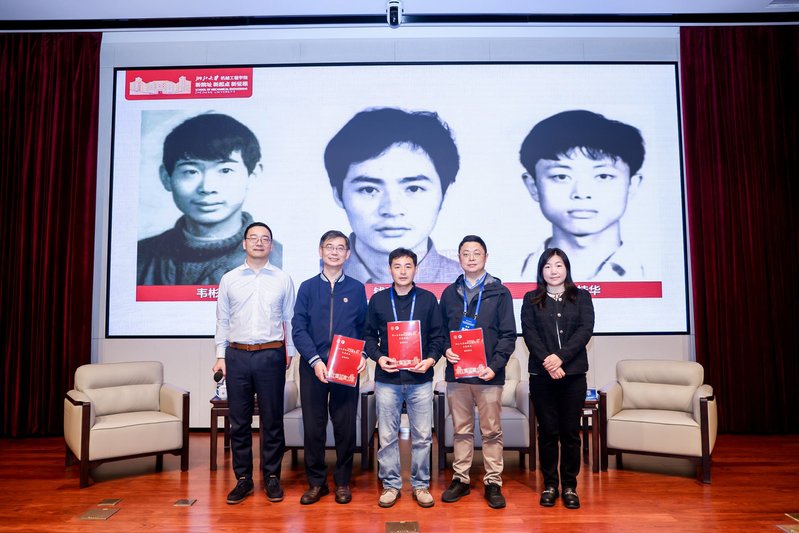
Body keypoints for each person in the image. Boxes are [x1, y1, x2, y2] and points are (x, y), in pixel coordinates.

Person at [137, 112, 282, 285]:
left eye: (225, 170)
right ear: (166, 177)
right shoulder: (139, 258)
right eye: (191, 171)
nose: (207, 188)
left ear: (253, 175)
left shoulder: (280, 261)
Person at [324, 107, 462, 284]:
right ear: (338, 195)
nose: (392, 209)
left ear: (444, 194)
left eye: (413, 188)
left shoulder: (467, 283)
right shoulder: (316, 281)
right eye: (369, 190)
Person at [212, 221, 295, 505]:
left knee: (272, 420)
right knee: (239, 421)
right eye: (254, 238)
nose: (259, 242)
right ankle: (243, 479)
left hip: (271, 354)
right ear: (244, 243)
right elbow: (222, 320)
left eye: (265, 239)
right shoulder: (229, 279)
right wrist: (220, 356)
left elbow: (288, 319)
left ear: (271, 245)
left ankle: (271, 476)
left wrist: (289, 352)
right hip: (236, 355)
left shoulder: (282, 279)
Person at [519, 109, 646, 281]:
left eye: (603, 176)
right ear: (533, 186)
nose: (582, 193)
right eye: (561, 176)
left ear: (632, 185)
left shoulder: (654, 271)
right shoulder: (508, 273)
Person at [439, 235, 517, 509]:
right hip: (458, 375)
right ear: (459, 258)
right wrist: (446, 349)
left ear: (486, 256)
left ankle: (493, 481)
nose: (471, 258)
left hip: (488, 376)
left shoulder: (500, 292)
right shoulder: (449, 293)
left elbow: (508, 335)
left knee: (491, 431)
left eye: (476, 253)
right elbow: (441, 332)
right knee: (461, 430)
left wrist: (494, 366)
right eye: (466, 253)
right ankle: (461, 479)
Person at [291, 230, 368, 505]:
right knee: (314, 428)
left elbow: (364, 328)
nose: (334, 252)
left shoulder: (357, 289)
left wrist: (363, 354)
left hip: (346, 367)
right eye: (329, 247)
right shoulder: (307, 287)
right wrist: (315, 360)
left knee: (345, 427)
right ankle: (316, 483)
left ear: (348, 254)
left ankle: (343, 482)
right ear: (320, 251)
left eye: (340, 248)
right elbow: (298, 328)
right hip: (313, 367)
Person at [364, 248, 445, 508]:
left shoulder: (428, 299)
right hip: (387, 379)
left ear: (415, 269)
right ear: (390, 269)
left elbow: (438, 337)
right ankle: (391, 485)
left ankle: (421, 485)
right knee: (387, 436)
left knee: (422, 436)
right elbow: (368, 337)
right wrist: (379, 358)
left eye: (408, 266)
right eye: (397, 266)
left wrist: (430, 360)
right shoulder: (378, 300)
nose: (402, 271)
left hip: (420, 379)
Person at [520, 248, 595, 510]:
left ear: (567, 268)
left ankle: (570, 486)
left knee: (571, 432)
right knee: (548, 432)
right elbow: (529, 333)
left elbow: (585, 330)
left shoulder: (582, 297)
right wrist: (548, 362)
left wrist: (560, 358)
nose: (553, 271)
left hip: (573, 375)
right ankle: (550, 485)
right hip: (542, 375)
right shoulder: (531, 299)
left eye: (558, 265)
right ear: (541, 271)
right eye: (548, 266)